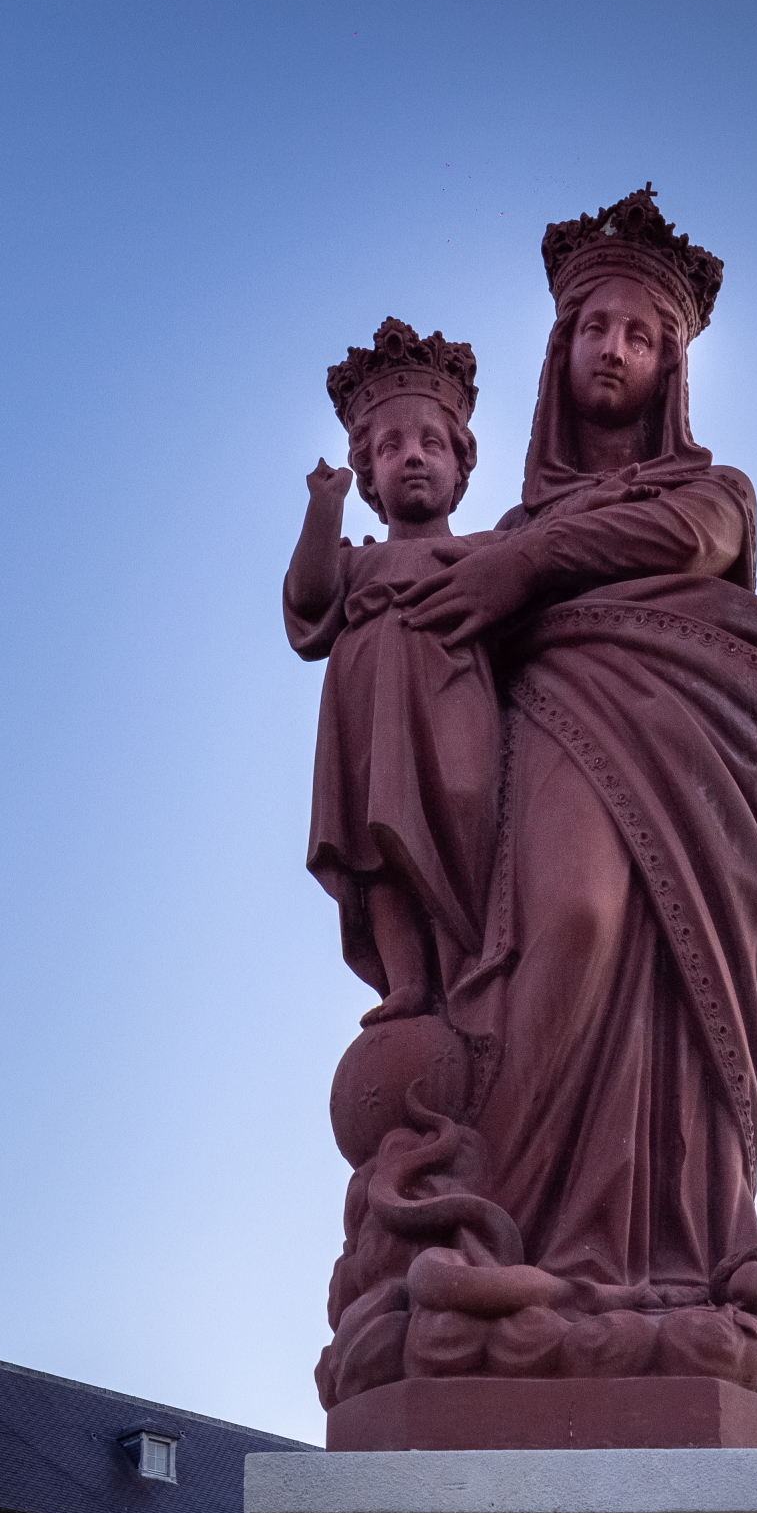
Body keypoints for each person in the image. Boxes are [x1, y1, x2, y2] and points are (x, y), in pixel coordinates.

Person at [313, 191, 757, 1422]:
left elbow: (691, 531)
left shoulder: (715, 490)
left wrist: (526, 569)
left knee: (652, 983)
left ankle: (660, 1263)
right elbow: (395, 645)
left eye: (640, 336)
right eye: (591, 329)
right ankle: (500, 1225)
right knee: (564, 925)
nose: (612, 350)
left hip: (695, 785)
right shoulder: (499, 527)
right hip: (546, 749)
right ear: (557, 353)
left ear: (669, 367)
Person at [283, 319, 496, 1024]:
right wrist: (323, 509)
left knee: (461, 821)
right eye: (390, 447)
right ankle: (409, 980)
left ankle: (469, 964)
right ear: (367, 473)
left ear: (460, 465)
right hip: (366, 718)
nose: (412, 458)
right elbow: (308, 599)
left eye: (431, 444)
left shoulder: (486, 553)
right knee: (378, 846)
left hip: (453, 707)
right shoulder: (358, 560)